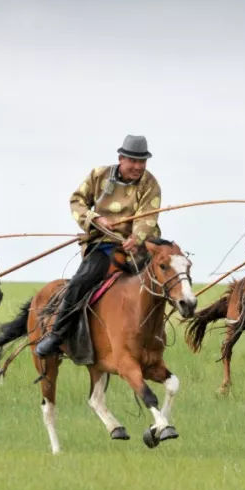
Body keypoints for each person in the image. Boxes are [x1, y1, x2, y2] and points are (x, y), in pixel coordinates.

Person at [34, 135, 162, 357]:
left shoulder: (150, 183)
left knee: (168, 277)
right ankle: (57, 335)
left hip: (139, 247)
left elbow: (147, 218)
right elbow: (77, 202)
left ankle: (159, 333)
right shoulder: (99, 175)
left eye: (142, 161)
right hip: (105, 245)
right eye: (133, 161)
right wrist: (95, 219)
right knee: (80, 283)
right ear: (121, 158)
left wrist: (137, 237)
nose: (138, 166)